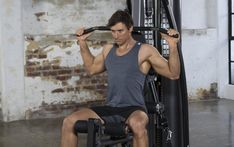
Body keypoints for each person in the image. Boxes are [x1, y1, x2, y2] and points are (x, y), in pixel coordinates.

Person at [61, 10, 180, 147]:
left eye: (120, 31)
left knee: (138, 125)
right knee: (69, 122)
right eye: (113, 31)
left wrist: (172, 46)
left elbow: (173, 73)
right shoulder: (108, 49)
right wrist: (82, 43)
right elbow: (92, 68)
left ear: (130, 29)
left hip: (134, 109)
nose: (116, 35)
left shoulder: (145, 50)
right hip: (110, 107)